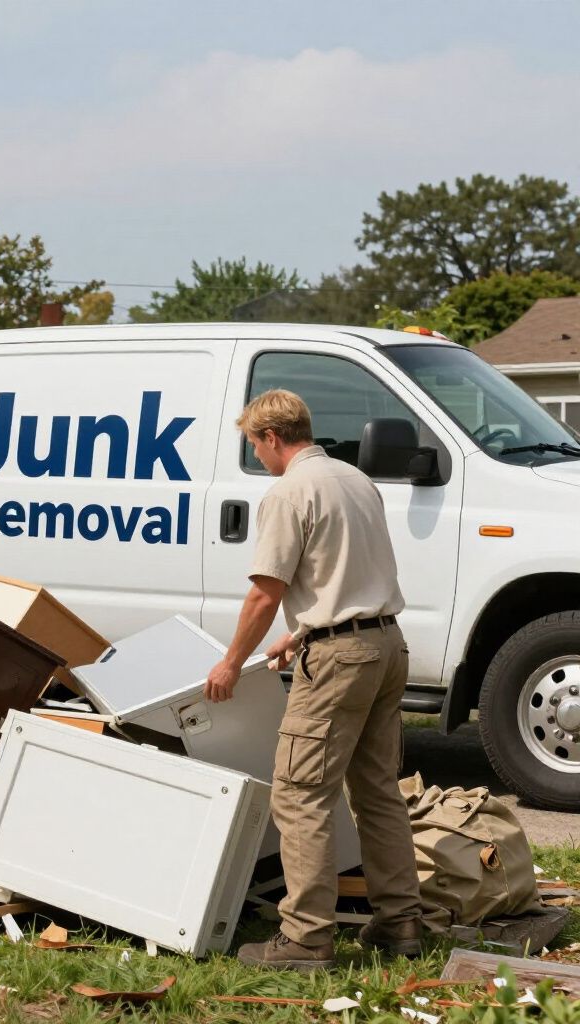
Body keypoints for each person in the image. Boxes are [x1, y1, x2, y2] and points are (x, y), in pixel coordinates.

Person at [204, 388, 422, 971]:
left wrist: (229, 663)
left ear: (272, 437)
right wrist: (298, 633)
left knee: (301, 794)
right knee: (377, 791)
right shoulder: (354, 480)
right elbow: (346, 573)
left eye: (255, 446)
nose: (258, 458)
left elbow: (264, 592)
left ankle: (304, 939)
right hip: (386, 643)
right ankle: (401, 922)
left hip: (339, 661)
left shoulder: (288, 492)